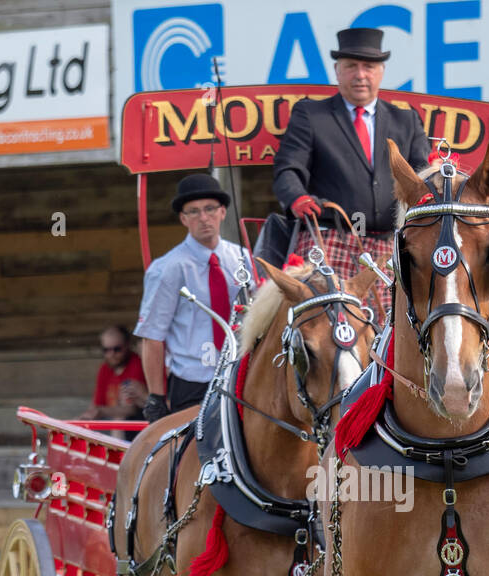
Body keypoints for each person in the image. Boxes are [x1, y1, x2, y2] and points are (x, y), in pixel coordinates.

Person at [272, 27, 431, 322]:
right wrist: (297, 197)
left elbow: (422, 180)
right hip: (329, 236)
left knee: (395, 328)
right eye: (351, 67)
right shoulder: (310, 115)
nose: (360, 75)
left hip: (389, 241)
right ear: (337, 71)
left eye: (368, 67)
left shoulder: (406, 120)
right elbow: (287, 169)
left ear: (381, 72)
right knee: (328, 326)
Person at [134, 173, 254, 423]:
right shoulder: (168, 268)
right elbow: (153, 336)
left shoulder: (244, 259)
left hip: (242, 376)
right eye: (194, 211)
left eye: (210, 209)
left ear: (222, 212)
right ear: (183, 219)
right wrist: (156, 397)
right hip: (193, 382)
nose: (203, 218)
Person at [79, 325, 146, 420]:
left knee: (119, 418)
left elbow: (131, 409)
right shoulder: (104, 368)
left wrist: (102, 411)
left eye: (117, 349)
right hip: (109, 422)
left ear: (127, 345)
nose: (111, 355)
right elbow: (97, 404)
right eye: (106, 350)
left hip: (134, 424)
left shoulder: (137, 364)